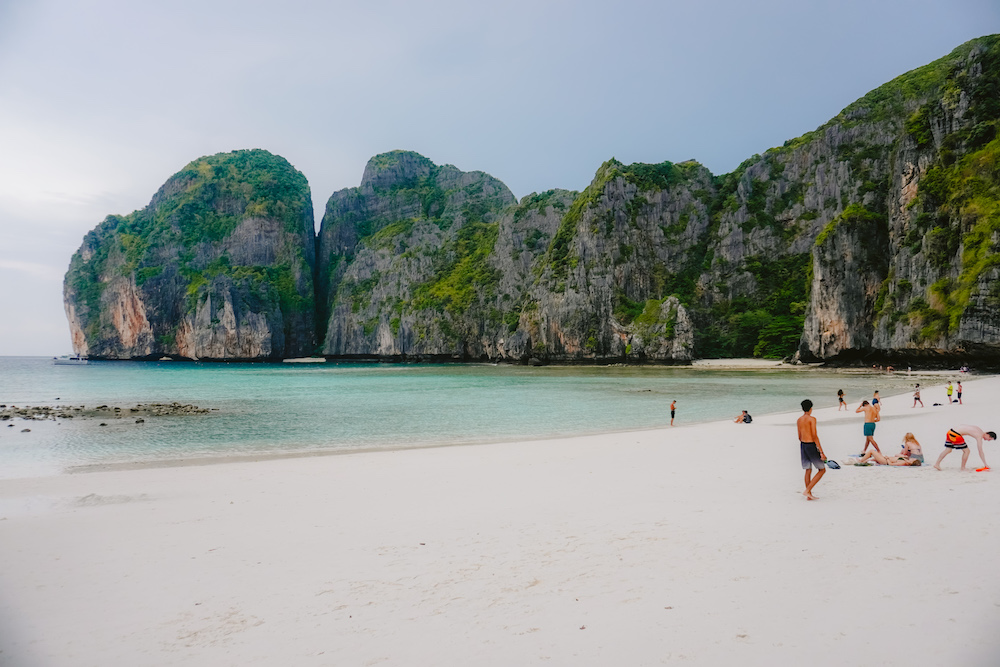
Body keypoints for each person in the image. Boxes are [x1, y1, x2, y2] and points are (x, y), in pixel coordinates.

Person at [797, 399, 826, 500]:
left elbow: (799, 436)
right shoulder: (812, 419)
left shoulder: (799, 419)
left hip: (803, 445)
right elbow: (814, 436)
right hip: (811, 445)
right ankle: (807, 490)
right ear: (811, 408)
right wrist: (821, 452)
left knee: (808, 469)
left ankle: (809, 494)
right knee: (822, 469)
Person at [848, 450, 922, 466]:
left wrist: (887, 458)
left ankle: (861, 460)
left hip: (885, 461)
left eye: (913, 460)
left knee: (871, 451)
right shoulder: (906, 460)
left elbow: (891, 464)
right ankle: (865, 460)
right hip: (885, 459)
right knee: (874, 457)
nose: (912, 458)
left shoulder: (904, 463)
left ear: (911, 463)